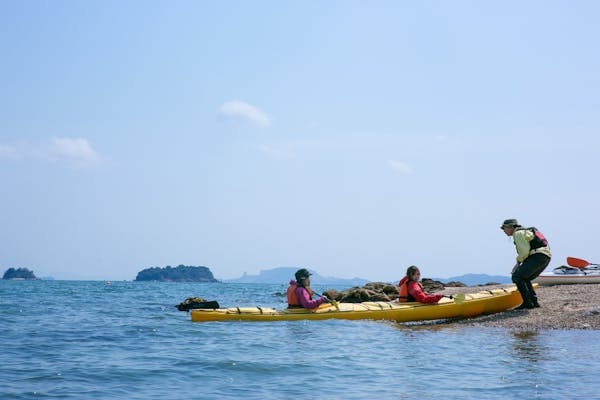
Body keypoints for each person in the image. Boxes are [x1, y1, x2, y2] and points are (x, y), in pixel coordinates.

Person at [500, 218, 551, 309]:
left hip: (537, 256)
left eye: (504, 228)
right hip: (545, 256)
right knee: (525, 277)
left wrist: (518, 263)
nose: (503, 230)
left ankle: (528, 302)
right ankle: (533, 302)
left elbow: (524, 252)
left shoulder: (518, 233)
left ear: (510, 227)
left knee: (517, 276)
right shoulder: (526, 231)